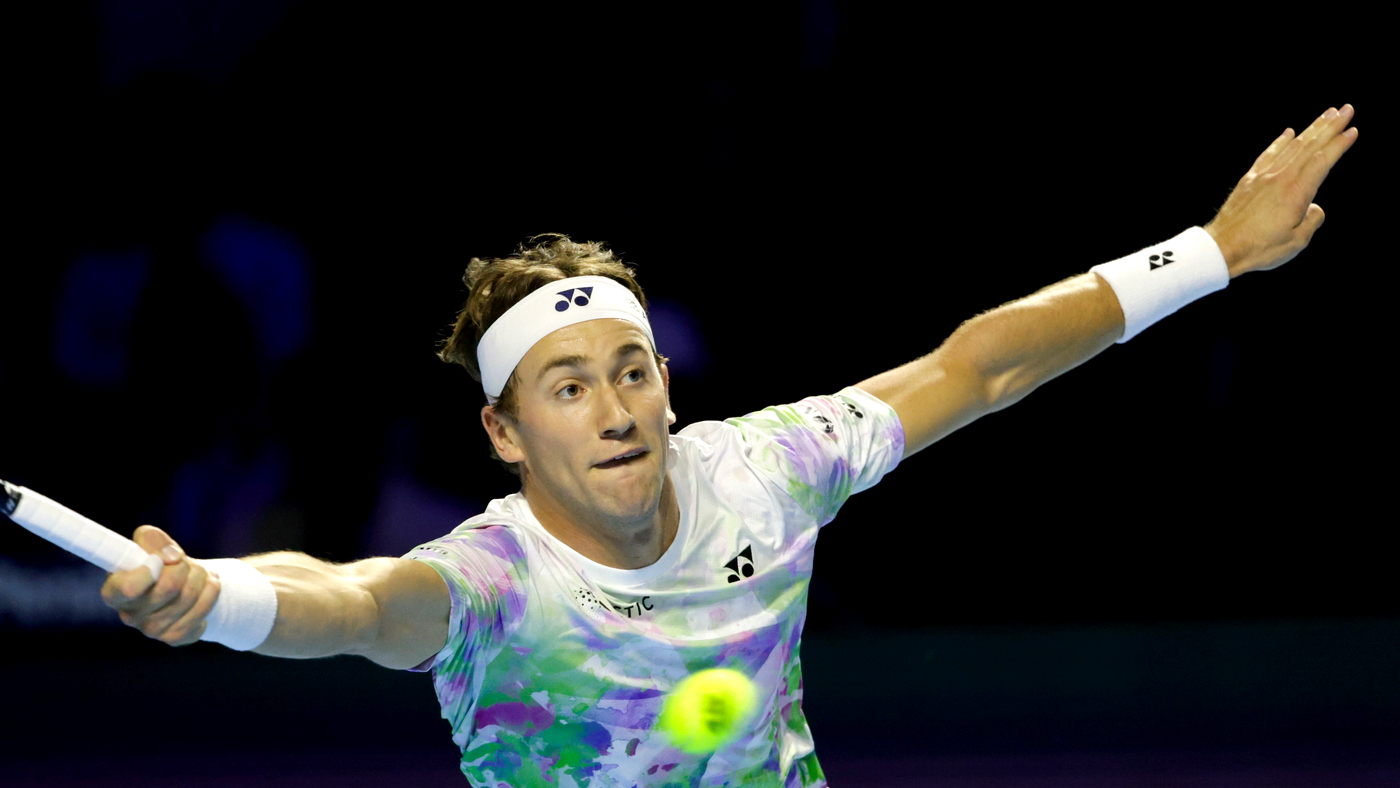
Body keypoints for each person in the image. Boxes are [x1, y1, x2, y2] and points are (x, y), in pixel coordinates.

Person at [99, 104, 1359, 785]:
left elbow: (974, 365)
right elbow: (356, 599)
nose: (614, 408)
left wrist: (1209, 254)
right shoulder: (489, 582)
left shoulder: (762, 469)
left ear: (665, 383)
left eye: (630, 370)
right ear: (502, 432)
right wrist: (216, 597)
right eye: (567, 387)